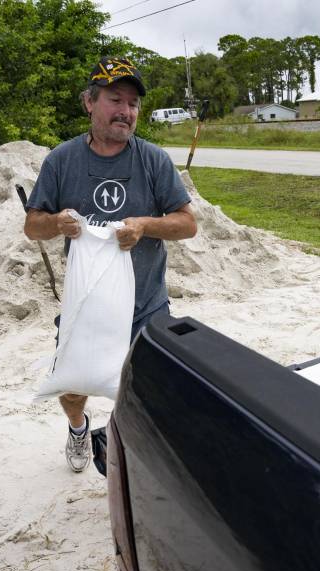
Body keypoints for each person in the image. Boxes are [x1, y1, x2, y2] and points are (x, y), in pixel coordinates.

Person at [24, 56, 197, 472]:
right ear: (89, 102)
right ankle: (79, 428)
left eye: (133, 104)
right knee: (73, 386)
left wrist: (145, 225)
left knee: (152, 389)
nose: (126, 111)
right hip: (86, 305)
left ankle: (138, 452)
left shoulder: (153, 160)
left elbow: (187, 224)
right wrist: (57, 222)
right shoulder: (62, 160)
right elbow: (32, 226)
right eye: (115, 100)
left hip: (146, 304)